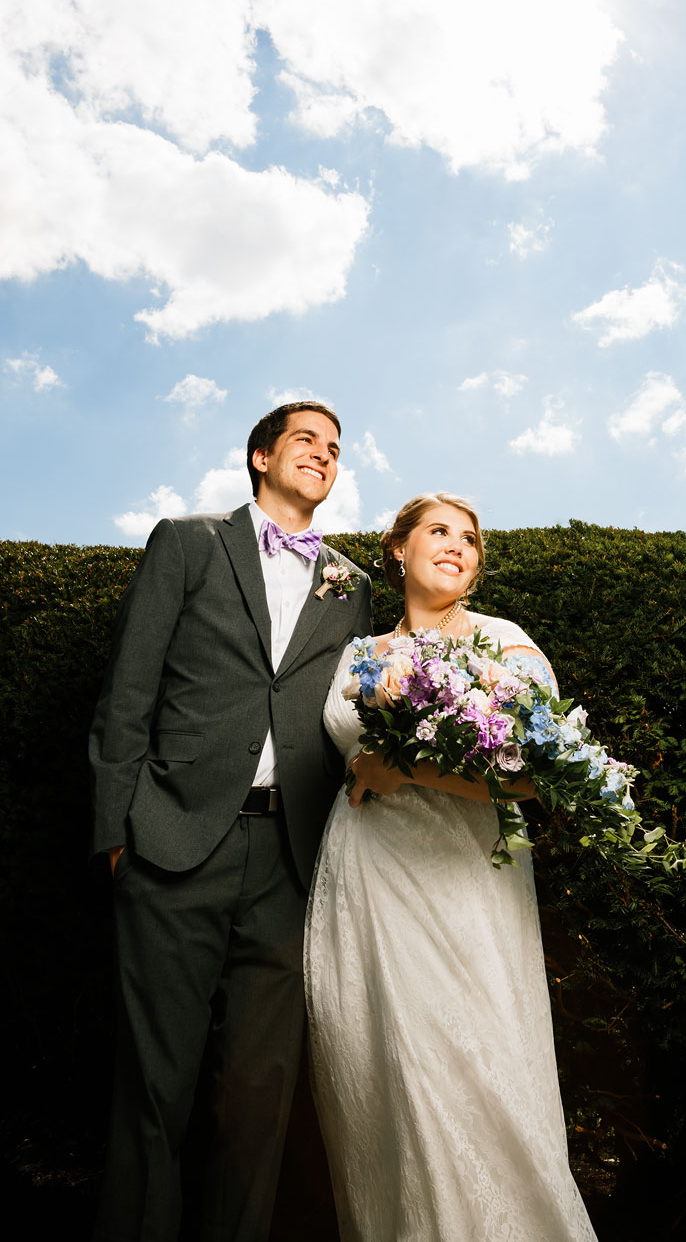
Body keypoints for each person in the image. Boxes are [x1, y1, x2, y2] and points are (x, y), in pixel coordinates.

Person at [89, 401, 372, 1242]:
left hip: (289, 860)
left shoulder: (350, 586)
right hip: (173, 845)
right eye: (305, 442)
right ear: (260, 458)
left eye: (334, 448)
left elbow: (340, 716)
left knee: (259, 1096)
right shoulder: (189, 542)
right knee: (157, 1082)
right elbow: (128, 694)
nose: (322, 456)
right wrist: (116, 833)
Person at [306, 493, 599, 1242]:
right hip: (366, 876)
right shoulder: (357, 653)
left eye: (469, 540)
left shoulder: (504, 643)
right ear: (397, 549)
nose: (458, 547)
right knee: (380, 1068)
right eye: (439, 532)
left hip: (464, 876)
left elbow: (540, 774)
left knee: (471, 1057)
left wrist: (408, 773)